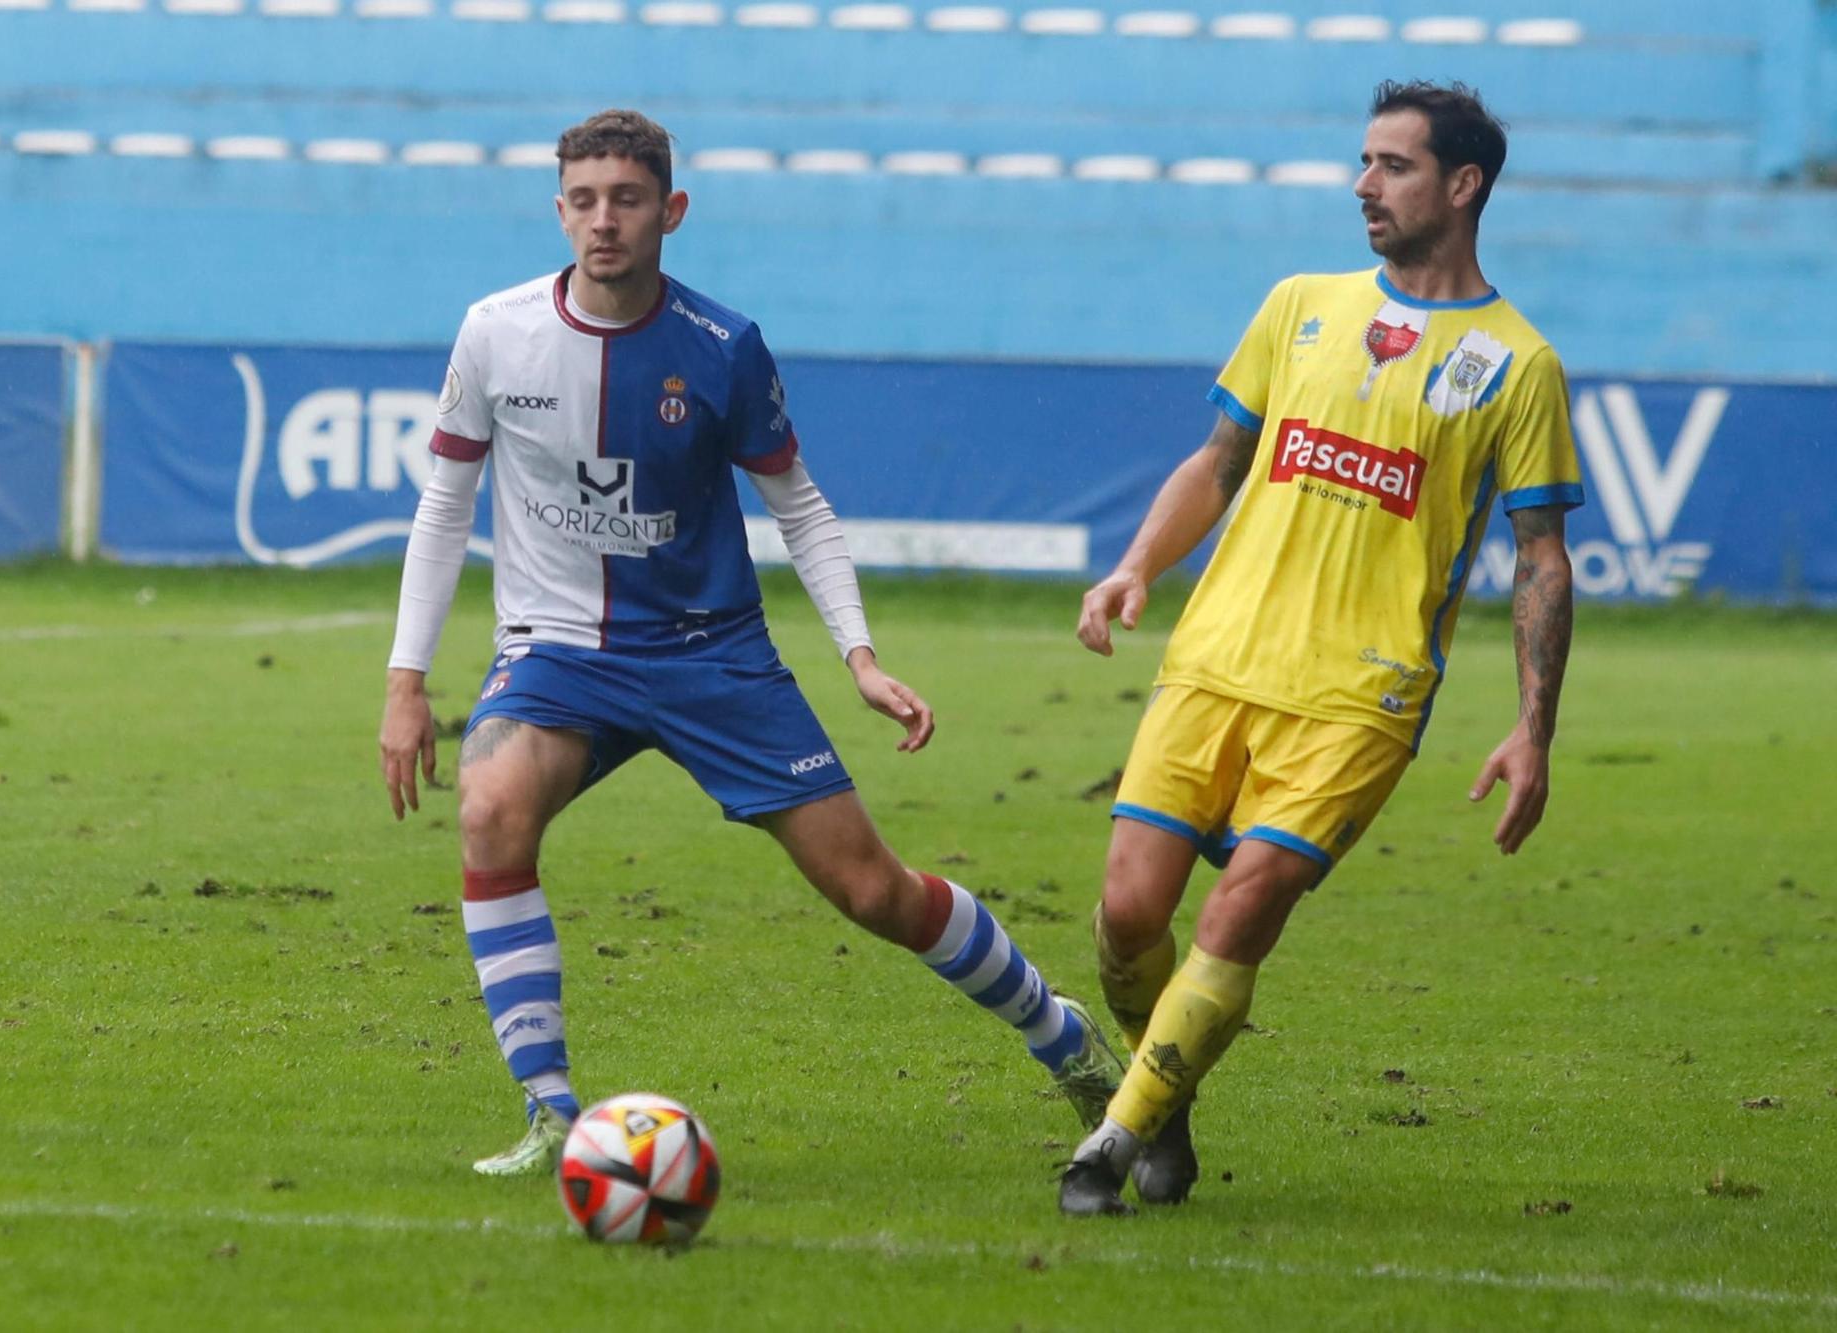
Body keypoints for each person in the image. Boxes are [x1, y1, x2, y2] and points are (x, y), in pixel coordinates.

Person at [378, 109, 1123, 1178]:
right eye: (582, 200)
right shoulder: (494, 334)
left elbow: (803, 510)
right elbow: (442, 506)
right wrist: (407, 682)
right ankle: (550, 1114)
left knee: (873, 892)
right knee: (490, 809)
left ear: (668, 211)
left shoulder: (722, 349)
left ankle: (1065, 1040)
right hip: (558, 651)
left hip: (709, 655)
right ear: (557, 210)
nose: (603, 221)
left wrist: (858, 657)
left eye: (626, 199)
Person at [1060, 81, 1581, 1216]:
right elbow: (1216, 460)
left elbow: (1539, 554)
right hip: (1215, 658)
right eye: (1361, 162)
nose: (1362, 185)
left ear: (1461, 184)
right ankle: (1167, 1106)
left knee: (1238, 909)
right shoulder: (1299, 303)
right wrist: (1136, 565)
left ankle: (1109, 1140)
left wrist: (1530, 728)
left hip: (1361, 695)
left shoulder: (1515, 362)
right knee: (1124, 918)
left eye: (1391, 165)